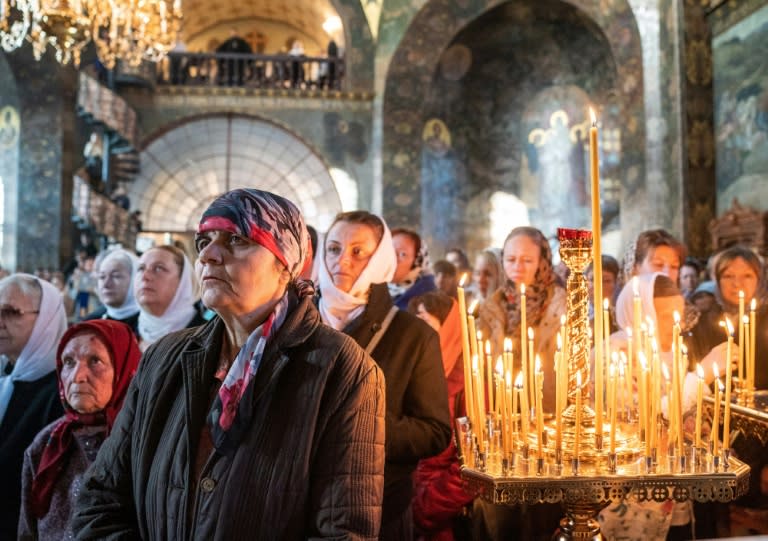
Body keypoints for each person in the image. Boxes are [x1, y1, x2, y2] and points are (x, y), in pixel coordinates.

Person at [72, 189, 386, 539]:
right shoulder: (163, 359)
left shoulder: (341, 369)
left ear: (285, 265)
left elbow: (344, 532)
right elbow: (100, 496)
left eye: (236, 240)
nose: (209, 255)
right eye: (204, 241)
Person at [317, 210, 450, 541]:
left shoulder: (412, 335)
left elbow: (434, 432)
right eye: (333, 249)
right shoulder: (295, 322)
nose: (342, 261)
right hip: (297, 504)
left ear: (380, 260)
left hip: (377, 508)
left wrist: (362, 427)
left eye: (358, 251)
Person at [604, 273, 706, 540]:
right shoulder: (614, 353)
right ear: (638, 311)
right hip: (628, 494)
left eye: (679, 314)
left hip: (673, 487)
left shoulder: (676, 352)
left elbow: (681, 412)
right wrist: (702, 376)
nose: (676, 325)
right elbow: (639, 420)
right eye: (664, 316)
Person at [18, 320, 140, 540]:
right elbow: (28, 531)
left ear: (125, 369)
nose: (78, 376)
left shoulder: (143, 439)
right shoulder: (48, 443)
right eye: (68, 362)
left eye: (95, 361)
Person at [0, 274, 67, 539]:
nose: (0, 322)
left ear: (45, 321)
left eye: (11, 312)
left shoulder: (62, 391)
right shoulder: (6, 373)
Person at [408, 292, 474, 541]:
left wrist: (424, 508)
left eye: (425, 322)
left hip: (441, 517)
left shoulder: (468, 383)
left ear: (448, 330)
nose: (417, 332)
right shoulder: (412, 369)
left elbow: (471, 466)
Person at [690, 245, 768, 389]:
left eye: (747, 276)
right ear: (717, 281)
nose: (737, 284)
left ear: (760, 280)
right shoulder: (701, 321)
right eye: (728, 276)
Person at [134, 245, 206, 350]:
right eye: (141, 268)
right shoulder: (125, 331)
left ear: (184, 282)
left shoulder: (206, 337)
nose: (145, 276)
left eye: (159, 268)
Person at [85, 248, 140, 334]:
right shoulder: (91, 323)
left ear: (135, 279)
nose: (106, 284)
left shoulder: (148, 327)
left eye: (116, 276)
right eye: (102, 277)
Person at [389, 227, 437, 310]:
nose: (392, 258)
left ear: (417, 261)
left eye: (402, 254)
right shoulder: (377, 288)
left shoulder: (428, 299)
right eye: (389, 251)